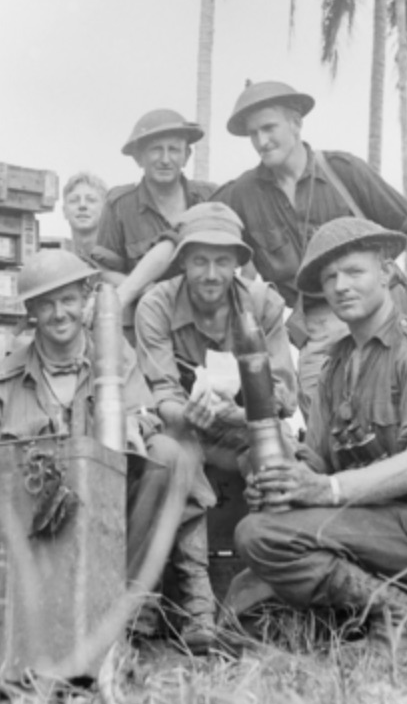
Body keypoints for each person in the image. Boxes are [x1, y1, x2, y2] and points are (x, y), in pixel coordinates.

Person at [231, 219, 407, 656]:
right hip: (351, 527)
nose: (340, 286)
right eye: (329, 277)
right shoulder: (334, 367)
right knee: (239, 609)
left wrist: (324, 489)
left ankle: (403, 613)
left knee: (259, 537)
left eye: (354, 272)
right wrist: (283, 478)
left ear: (386, 272)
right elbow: (318, 464)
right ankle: (375, 622)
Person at [0, 248, 214, 652]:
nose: (59, 313)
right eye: (46, 304)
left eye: (68, 299)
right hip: (42, 529)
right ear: (32, 311)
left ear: (85, 300)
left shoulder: (115, 353)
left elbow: (145, 413)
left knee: (166, 456)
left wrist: (131, 426)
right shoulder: (4, 379)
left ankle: (128, 612)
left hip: (111, 513)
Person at [213, 79, 407, 411]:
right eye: (253, 134)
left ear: (296, 122)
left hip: (385, 312)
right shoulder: (242, 194)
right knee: (324, 425)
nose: (261, 141)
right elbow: (194, 235)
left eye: (269, 127)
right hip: (317, 324)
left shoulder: (342, 171)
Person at [134, 202, 298, 471]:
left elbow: (283, 392)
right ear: (183, 261)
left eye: (222, 262)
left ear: (236, 263)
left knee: (282, 454)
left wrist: (243, 415)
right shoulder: (157, 306)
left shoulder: (262, 303)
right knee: (163, 459)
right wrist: (185, 415)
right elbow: (162, 391)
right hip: (183, 428)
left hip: (249, 422)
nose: (211, 275)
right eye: (200, 261)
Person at [92, 108, 215, 309]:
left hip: (203, 317)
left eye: (174, 149)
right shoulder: (119, 206)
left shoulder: (208, 198)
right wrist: (146, 289)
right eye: (156, 149)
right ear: (139, 157)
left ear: (186, 155)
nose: (165, 159)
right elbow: (103, 271)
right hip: (143, 317)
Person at [61, 171, 107, 261]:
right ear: (64, 211)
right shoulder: (58, 266)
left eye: (91, 200)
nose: (82, 205)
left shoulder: (122, 262)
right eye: (74, 200)